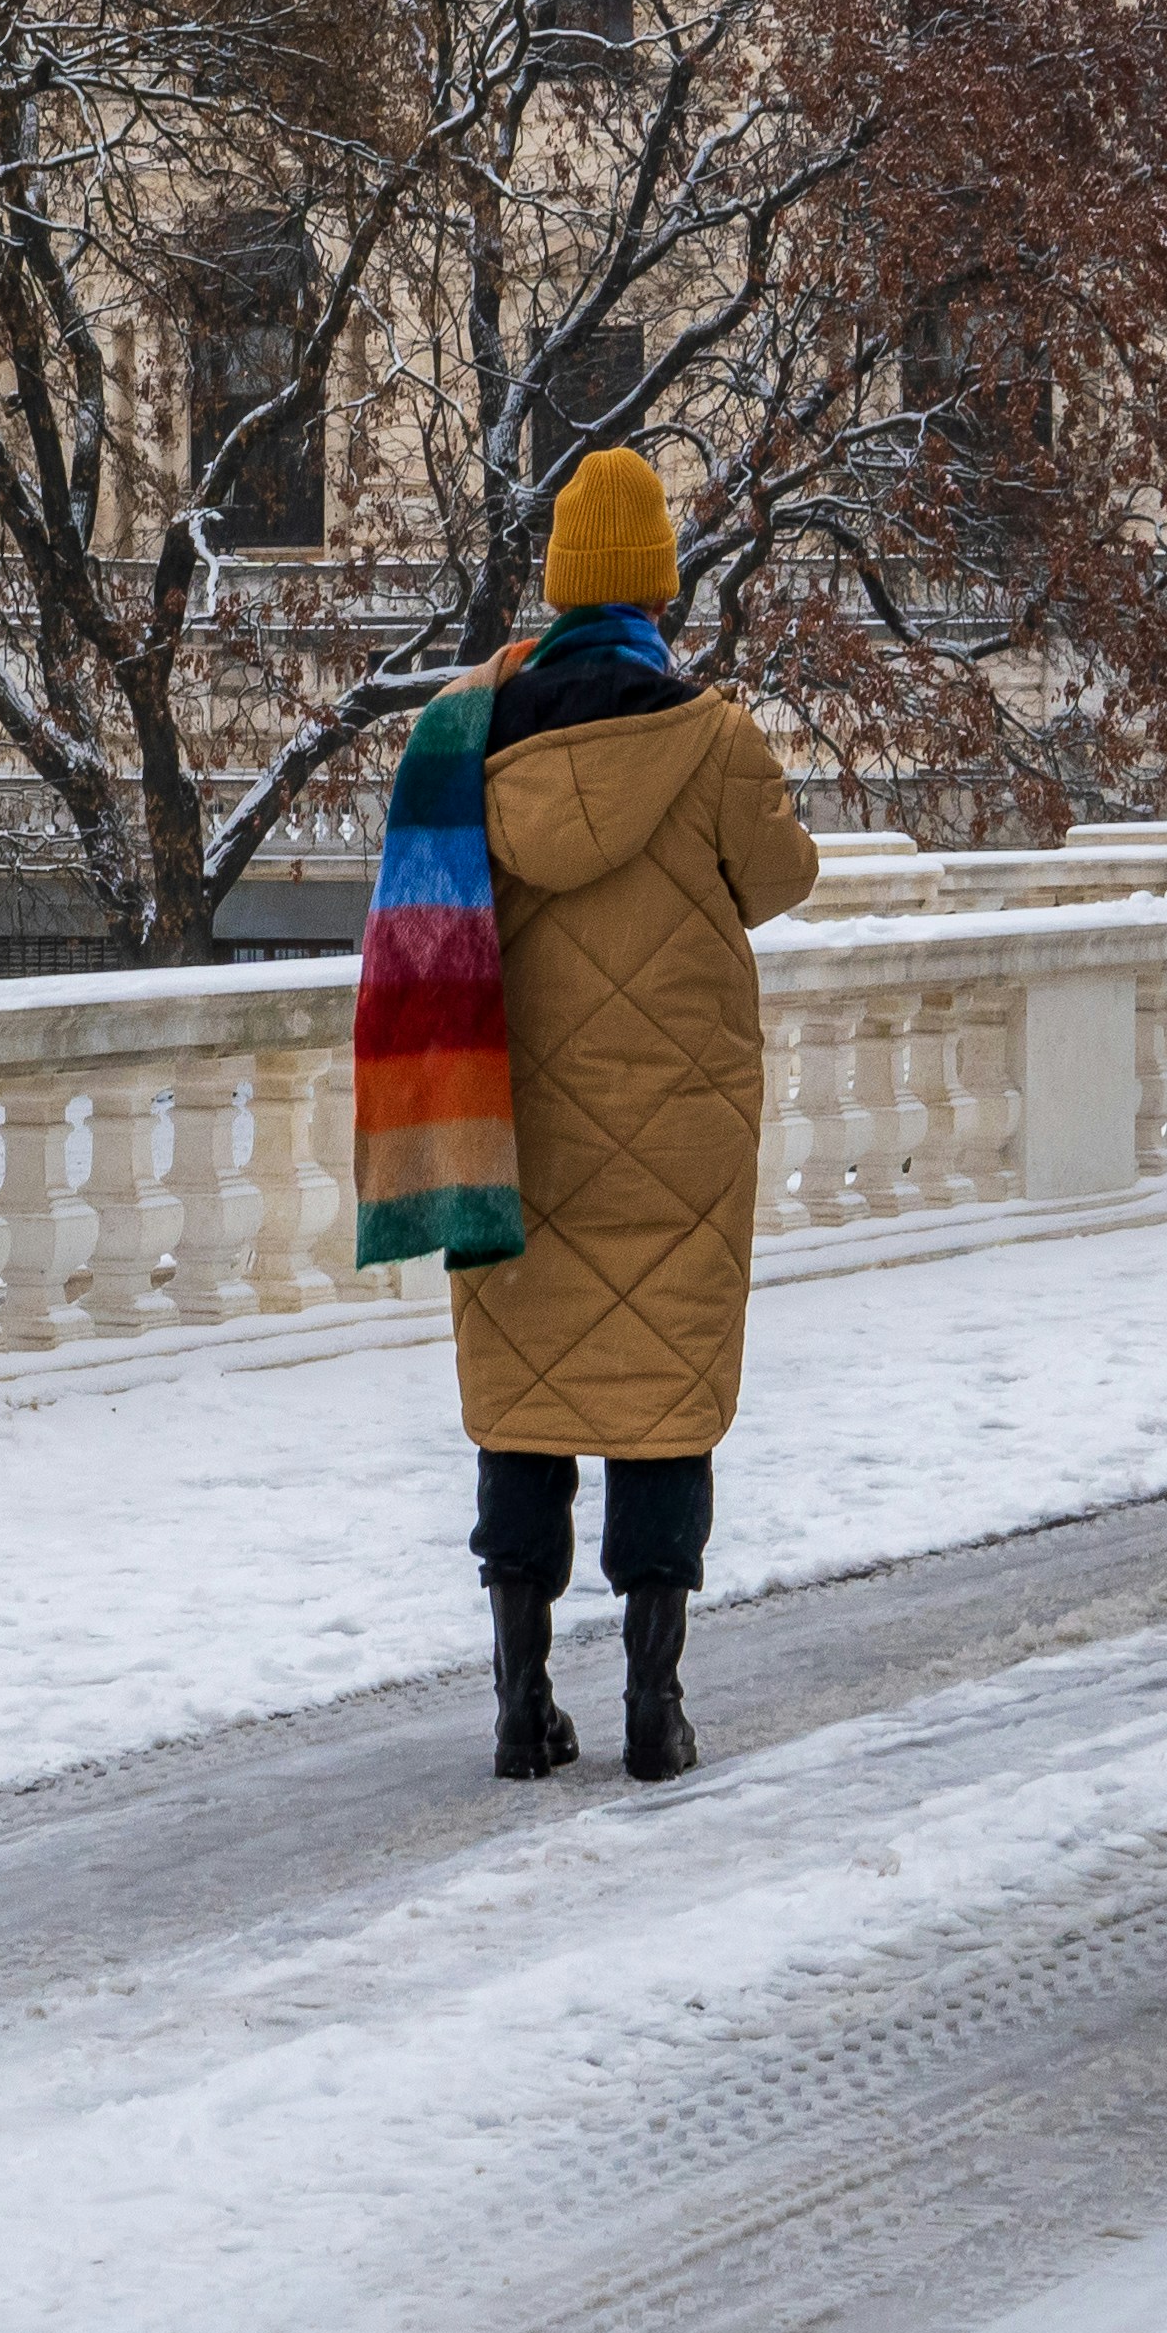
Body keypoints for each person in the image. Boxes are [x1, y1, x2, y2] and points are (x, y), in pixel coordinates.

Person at [347, 445, 818, 1782]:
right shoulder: (713, 736)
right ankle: (652, 1710)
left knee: (522, 1402)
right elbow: (781, 881)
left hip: (509, 1124)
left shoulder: (465, 738)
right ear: (657, 582)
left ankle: (518, 1702)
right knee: (662, 1404)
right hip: (675, 1131)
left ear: (553, 584)